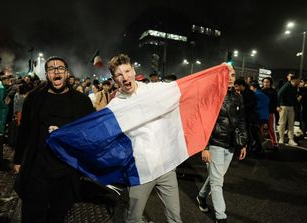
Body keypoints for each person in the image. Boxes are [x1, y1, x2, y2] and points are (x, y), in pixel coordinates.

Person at [13, 56, 95, 223]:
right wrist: (17, 159)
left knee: (57, 216)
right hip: (37, 167)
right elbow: (25, 130)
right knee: (32, 215)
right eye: (51, 68)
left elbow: (90, 134)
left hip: (66, 170)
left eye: (60, 68)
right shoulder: (34, 98)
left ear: (67, 73)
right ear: (46, 75)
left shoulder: (82, 101)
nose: (56, 70)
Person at [108, 54, 183, 223]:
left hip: (166, 167)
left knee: (175, 217)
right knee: (134, 219)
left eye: (127, 71)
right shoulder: (114, 106)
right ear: (114, 79)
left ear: (134, 71)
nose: (125, 77)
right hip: (140, 171)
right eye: (119, 75)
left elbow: (186, 87)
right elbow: (96, 130)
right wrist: (64, 132)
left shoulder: (153, 89)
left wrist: (220, 72)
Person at [196, 69, 248, 223]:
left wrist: (243, 144)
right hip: (216, 143)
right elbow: (204, 122)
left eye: (232, 75)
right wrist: (204, 147)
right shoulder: (212, 96)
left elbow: (242, 121)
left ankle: (201, 196)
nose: (230, 78)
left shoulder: (238, 96)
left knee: (216, 177)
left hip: (231, 145)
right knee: (217, 182)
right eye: (227, 75)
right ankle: (221, 217)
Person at [277, 74, 300, 145]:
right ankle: (281, 138)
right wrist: (277, 105)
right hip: (283, 106)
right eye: (298, 80)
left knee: (291, 124)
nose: (299, 81)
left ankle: (291, 139)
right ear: (294, 80)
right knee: (282, 123)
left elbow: (294, 97)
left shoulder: (295, 87)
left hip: (291, 107)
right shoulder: (286, 86)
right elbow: (279, 94)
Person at [262, 77, 279, 149]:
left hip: (270, 113)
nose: (265, 83)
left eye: (267, 82)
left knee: (271, 129)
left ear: (270, 83)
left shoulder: (273, 91)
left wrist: (277, 107)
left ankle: (274, 143)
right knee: (260, 129)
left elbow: (276, 102)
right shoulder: (260, 91)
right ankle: (258, 142)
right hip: (261, 113)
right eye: (264, 82)